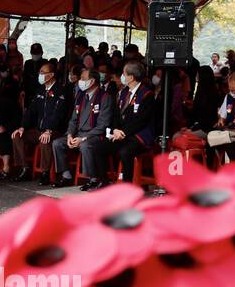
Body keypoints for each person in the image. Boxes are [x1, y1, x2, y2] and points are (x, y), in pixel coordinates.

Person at [100, 61, 157, 194]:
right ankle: (104, 183)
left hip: (140, 134)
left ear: (131, 77)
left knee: (125, 151)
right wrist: (115, 129)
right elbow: (115, 115)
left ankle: (127, 188)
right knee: (99, 147)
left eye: (124, 74)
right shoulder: (124, 92)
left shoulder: (147, 95)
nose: (122, 77)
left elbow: (141, 121)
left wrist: (123, 132)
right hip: (121, 133)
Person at [12, 59, 69, 185]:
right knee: (17, 136)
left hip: (54, 131)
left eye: (43, 72)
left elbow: (58, 114)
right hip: (39, 129)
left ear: (52, 75)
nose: (40, 75)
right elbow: (31, 111)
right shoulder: (40, 90)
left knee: (45, 140)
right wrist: (22, 126)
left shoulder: (61, 91)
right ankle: (24, 168)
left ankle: (45, 173)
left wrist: (49, 130)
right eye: (40, 72)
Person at [53, 67, 112, 186]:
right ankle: (66, 175)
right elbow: (73, 119)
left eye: (83, 78)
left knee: (85, 146)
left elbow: (103, 125)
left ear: (92, 81)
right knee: (57, 143)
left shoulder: (104, 97)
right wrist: (69, 135)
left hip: (95, 135)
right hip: (78, 134)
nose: (81, 81)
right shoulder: (80, 96)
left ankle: (92, 179)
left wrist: (83, 138)